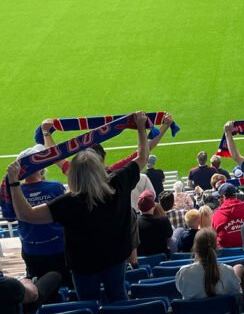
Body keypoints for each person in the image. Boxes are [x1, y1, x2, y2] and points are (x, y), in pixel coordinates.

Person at [6, 112, 150, 303]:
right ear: (101, 168)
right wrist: (141, 127)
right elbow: (142, 157)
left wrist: (14, 183)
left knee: (87, 303)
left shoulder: (68, 203)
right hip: (116, 258)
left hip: (83, 265)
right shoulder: (119, 182)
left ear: (72, 175)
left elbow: (26, 215)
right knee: (119, 298)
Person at [0, 145, 67, 283]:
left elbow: (9, 216)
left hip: (32, 249)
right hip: (59, 246)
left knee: (39, 285)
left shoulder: (13, 191)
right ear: (42, 167)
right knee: (65, 280)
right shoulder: (56, 187)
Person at [175, 228, 244, 300]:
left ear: (195, 247)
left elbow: (181, 291)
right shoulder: (228, 271)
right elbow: (237, 293)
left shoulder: (184, 273)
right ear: (216, 247)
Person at [211, 183, 244, 248]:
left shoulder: (216, 215)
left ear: (224, 197)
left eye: (219, 197)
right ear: (235, 196)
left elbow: (213, 238)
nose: (218, 200)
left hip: (226, 256)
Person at [136, 190, 173, 257]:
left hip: (142, 260)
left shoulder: (135, 224)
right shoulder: (163, 220)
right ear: (153, 205)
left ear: (139, 207)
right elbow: (169, 235)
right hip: (163, 258)